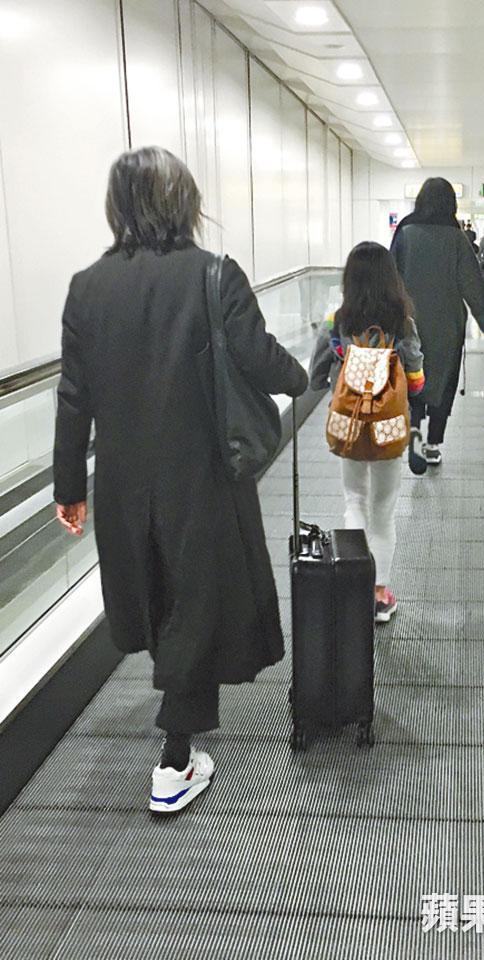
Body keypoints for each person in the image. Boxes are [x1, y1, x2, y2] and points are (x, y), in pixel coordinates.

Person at [53, 146, 308, 814]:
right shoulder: (213, 274)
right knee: (197, 599)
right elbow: (259, 357)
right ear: (184, 202)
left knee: (159, 595)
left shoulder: (87, 287)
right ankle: (174, 758)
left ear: (118, 207)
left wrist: (68, 488)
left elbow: (73, 396)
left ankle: (178, 731)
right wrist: (301, 376)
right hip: (201, 479)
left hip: (122, 483)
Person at [309, 241, 425, 624]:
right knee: (383, 511)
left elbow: (316, 372)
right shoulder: (402, 322)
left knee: (354, 501)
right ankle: (379, 594)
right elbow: (416, 377)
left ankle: (354, 588)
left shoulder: (337, 321)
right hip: (389, 424)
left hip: (350, 422)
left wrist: (334, 378)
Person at [390, 178, 484, 466]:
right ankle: (433, 445)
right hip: (448, 327)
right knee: (443, 384)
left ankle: (414, 435)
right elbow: (472, 283)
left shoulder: (405, 232)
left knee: (412, 377)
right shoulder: (456, 237)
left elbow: (390, 277)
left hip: (409, 324)